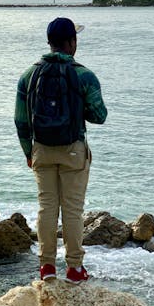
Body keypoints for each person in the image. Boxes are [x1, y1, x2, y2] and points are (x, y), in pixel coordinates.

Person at [14, 17, 107, 283]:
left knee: (46, 207)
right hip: (73, 151)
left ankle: (46, 267)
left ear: (50, 43)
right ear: (71, 43)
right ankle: (75, 268)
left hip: (41, 149)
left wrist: (27, 152)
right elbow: (99, 116)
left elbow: (21, 120)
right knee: (73, 210)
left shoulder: (29, 75)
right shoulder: (84, 75)